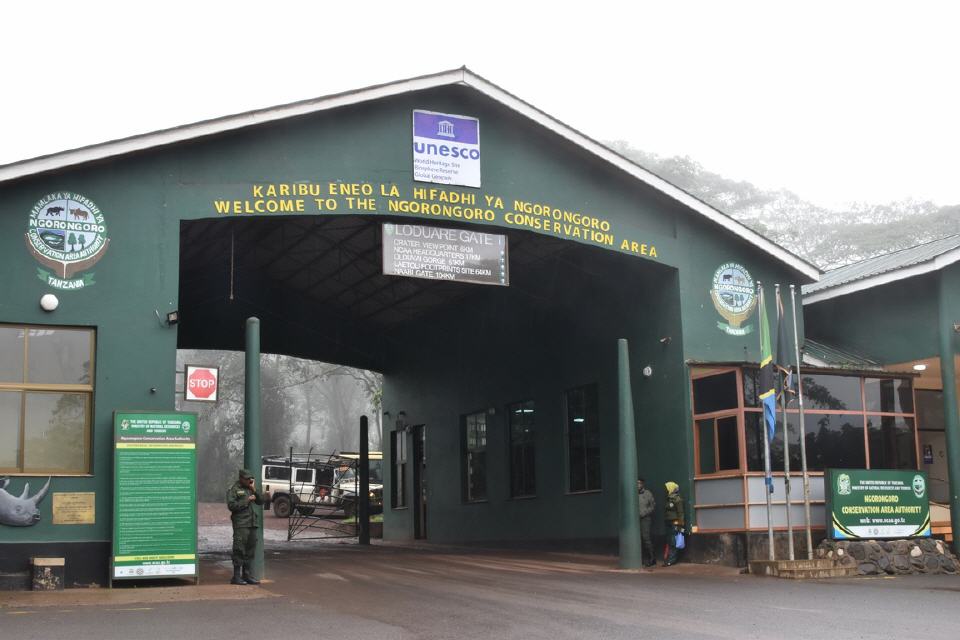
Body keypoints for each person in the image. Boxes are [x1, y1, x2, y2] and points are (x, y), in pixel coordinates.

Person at [226, 468, 263, 585]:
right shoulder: (234, 489)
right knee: (239, 549)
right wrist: (247, 500)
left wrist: (254, 490)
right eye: (247, 479)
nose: (249, 481)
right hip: (241, 524)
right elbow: (231, 505)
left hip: (252, 523)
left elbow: (261, 501)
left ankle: (246, 575)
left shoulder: (250, 488)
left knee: (250, 549)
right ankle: (236, 577)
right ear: (241, 478)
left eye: (250, 479)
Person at [663, 481, 685, 566]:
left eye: (667, 488)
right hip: (668, 521)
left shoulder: (677, 499)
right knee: (669, 540)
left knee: (673, 541)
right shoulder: (669, 498)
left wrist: (680, 524)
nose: (666, 490)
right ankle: (668, 558)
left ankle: (672, 560)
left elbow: (681, 513)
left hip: (675, 522)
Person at [636, 478, 656, 568]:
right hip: (634, 521)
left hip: (645, 519)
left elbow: (652, 506)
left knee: (646, 538)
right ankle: (640, 559)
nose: (638, 485)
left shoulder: (647, 493)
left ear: (643, 484)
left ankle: (652, 558)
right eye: (636, 483)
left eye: (639, 483)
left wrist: (644, 513)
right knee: (637, 539)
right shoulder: (632, 494)